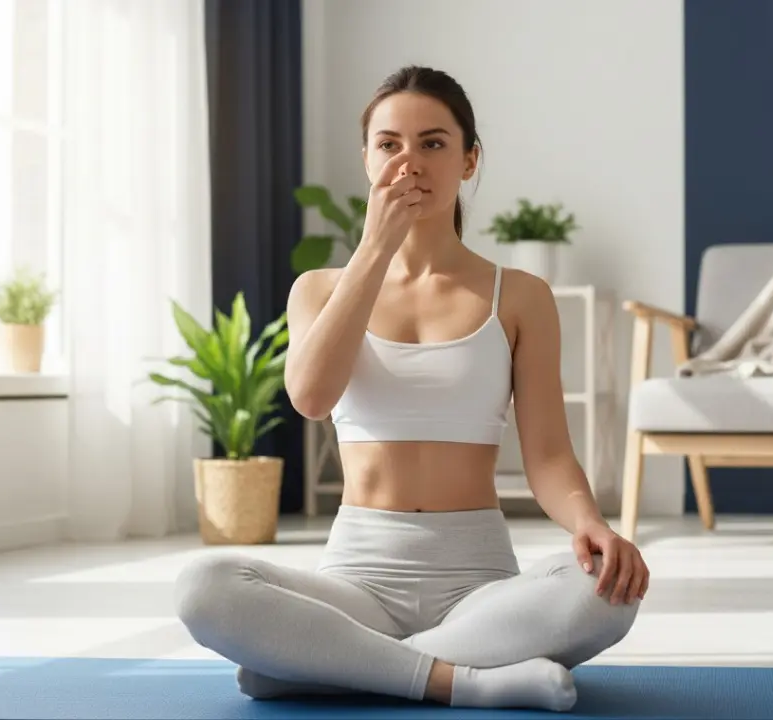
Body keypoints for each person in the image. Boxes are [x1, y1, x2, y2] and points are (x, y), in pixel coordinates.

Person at [174, 65, 649, 713]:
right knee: (204, 586)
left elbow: (548, 454)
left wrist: (591, 524)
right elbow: (312, 398)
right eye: (389, 144)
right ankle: (460, 680)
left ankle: (329, 665)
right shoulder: (318, 289)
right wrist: (373, 250)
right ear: (366, 159)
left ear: (469, 159)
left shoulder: (523, 296)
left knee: (608, 593)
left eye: (432, 143)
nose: (409, 162)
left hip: (478, 581)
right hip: (356, 579)